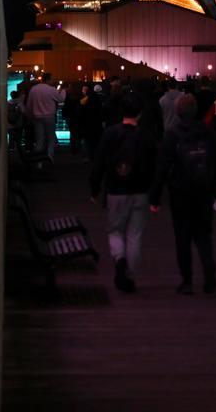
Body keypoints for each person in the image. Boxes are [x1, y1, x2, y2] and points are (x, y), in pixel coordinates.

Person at [150, 93, 216, 294]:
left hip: (180, 190)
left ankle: (187, 281)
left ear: (177, 112)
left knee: (182, 236)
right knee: (204, 234)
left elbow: (163, 167)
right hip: (204, 190)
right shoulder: (208, 133)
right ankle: (210, 274)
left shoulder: (172, 135)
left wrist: (155, 197)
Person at [91, 92, 158, 294]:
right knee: (135, 235)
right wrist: (155, 194)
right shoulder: (146, 135)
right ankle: (130, 274)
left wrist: (94, 187)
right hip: (140, 190)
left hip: (116, 189)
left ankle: (119, 259)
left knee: (115, 230)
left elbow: (99, 162)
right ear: (140, 113)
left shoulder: (111, 133)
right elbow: (155, 166)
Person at [25, 73, 65, 161]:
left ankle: (38, 161)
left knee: (39, 139)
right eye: (52, 79)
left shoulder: (34, 89)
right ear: (48, 79)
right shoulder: (51, 89)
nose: (53, 81)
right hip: (49, 116)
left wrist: (30, 115)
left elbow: (29, 105)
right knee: (50, 138)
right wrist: (63, 91)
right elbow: (61, 99)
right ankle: (50, 155)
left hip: (36, 117)